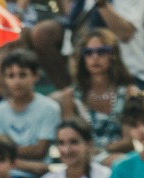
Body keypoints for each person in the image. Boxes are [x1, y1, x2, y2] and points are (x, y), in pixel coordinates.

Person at [33, 0, 144, 92]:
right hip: (89, 83)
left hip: (130, 78)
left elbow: (125, 33)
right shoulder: (80, 4)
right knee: (61, 101)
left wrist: (102, 5)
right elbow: (71, 50)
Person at [54, 29, 136, 163]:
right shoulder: (69, 96)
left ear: (113, 55)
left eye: (102, 51)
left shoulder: (129, 93)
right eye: (88, 53)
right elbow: (68, 137)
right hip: (83, 161)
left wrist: (101, 152)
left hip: (121, 160)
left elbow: (129, 140)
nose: (95, 57)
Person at [0, 49, 60, 178]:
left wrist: (8, 153)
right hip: (7, 177)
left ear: (36, 76)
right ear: (4, 79)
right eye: (11, 76)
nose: (16, 81)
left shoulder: (50, 108)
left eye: (22, 75)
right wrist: (31, 166)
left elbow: (40, 151)